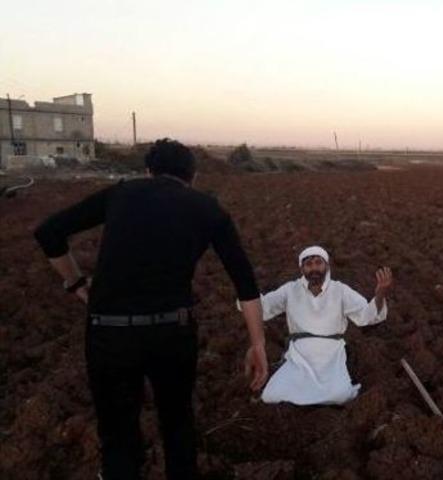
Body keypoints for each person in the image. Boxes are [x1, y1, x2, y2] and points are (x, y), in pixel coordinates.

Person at [34, 139, 269, 480]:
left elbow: (48, 232)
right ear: (194, 175)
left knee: (118, 436)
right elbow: (245, 282)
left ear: (148, 171)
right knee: (177, 424)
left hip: (108, 333)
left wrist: (75, 283)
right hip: (171, 333)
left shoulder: (121, 193)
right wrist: (258, 343)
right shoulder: (208, 208)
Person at [250, 245, 393, 405]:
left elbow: (367, 315)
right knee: (271, 395)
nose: (314, 268)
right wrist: (246, 290)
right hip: (299, 356)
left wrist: (380, 294)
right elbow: (264, 308)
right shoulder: (291, 289)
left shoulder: (340, 290)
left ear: (327, 265)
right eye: (308, 264)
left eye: (318, 263)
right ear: (302, 268)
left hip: (331, 355)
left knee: (341, 395)